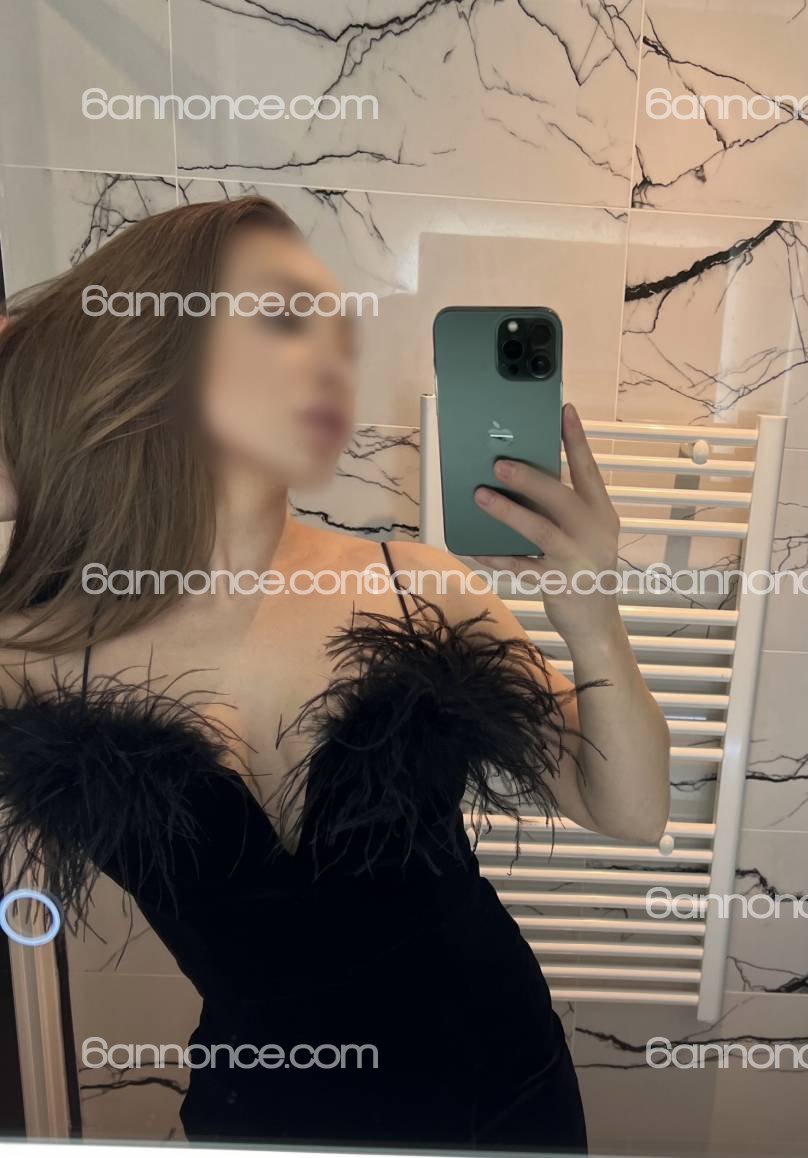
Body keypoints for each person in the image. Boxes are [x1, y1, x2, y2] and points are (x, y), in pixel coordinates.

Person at [0, 196, 670, 1150]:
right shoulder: (35, 652)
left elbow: (629, 809)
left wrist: (592, 615)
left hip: (500, 1088)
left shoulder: (414, 586)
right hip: (265, 1114)